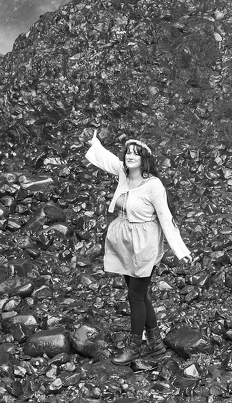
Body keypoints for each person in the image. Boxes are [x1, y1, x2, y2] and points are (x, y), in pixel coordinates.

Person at [83, 128, 194, 358]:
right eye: (128, 153)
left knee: (135, 295)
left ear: (144, 159)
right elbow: (107, 159)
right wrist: (94, 143)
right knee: (140, 295)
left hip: (144, 243)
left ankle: (134, 348)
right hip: (124, 241)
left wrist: (180, 250)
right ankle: (156, 344)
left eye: (136, 153)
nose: (130, 156)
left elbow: (165, 217)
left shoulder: (154, 185)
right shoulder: (124, 174)